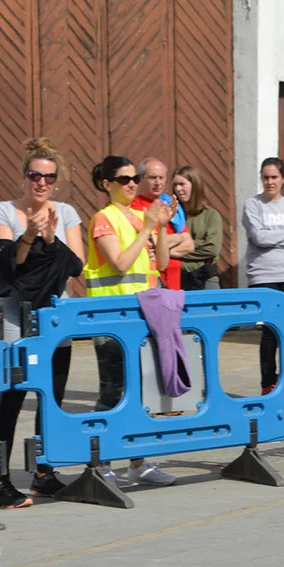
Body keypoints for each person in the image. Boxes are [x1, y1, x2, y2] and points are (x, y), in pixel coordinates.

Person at [0, 138, 85, 508]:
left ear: (57, 181)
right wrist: (28, 236)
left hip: (54, 314)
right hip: (15, 315)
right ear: (24, 176)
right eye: (35, 175)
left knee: (52, 396)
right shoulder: (3, 212)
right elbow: (7, 267)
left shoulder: (66, 213)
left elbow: (75, 266)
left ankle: (44, 473)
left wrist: (49, 237)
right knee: (12, 396)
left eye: (49, 177)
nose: (41, 183)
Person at [85, 155, 177, 487]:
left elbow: (162, 262)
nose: (132, 185)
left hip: (142, 317)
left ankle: (138, 462)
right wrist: (149, 227)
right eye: (124, 180)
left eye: (134, 179)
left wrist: (161, 227)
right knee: (113, 393)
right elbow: (121, 263)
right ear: (106, 184)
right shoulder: (103, 219)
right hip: (112, 320)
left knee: (140, 395)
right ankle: (100, 463)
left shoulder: (140, 217)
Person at [242, 157, 284, 395]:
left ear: (283, 179)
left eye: (274, 177)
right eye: (266, 177)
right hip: (263, 276)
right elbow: (258, 237)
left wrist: (272, 235)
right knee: (270, 332)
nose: (270, 182)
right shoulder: (252, 205)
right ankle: (268, 383)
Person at [133, 158, 194, 290]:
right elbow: (149, 243)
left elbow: (189, 245)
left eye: (161, 177)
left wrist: (161, 251)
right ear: (141, 179)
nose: (158, 182)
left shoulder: (171, 205)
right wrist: (178, 238)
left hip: (174, 283)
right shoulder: (135, 207)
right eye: (152, 178)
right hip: (151, 284)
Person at [173, 165, 223, 291]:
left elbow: (212, 248)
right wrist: (198, 243)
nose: (178, 189)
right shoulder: (172, 216)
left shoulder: (211, 215)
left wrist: (175, 251)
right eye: (175, 185)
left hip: (206, 280)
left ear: (194, 185)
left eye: (182, 184)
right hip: (178, 279)